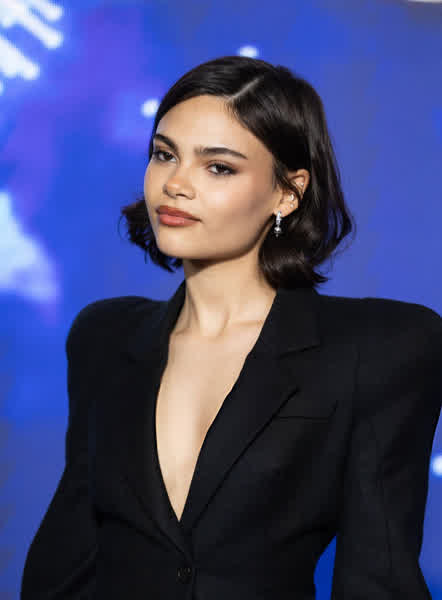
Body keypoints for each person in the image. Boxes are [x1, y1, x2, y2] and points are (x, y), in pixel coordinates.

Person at [20, 55, 442, 599]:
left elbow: (378, 578)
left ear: (288, 192)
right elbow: (67, 558)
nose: (176, 184)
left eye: (218, 166)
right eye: (164, 154)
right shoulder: (105, 336)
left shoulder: (378, 348)